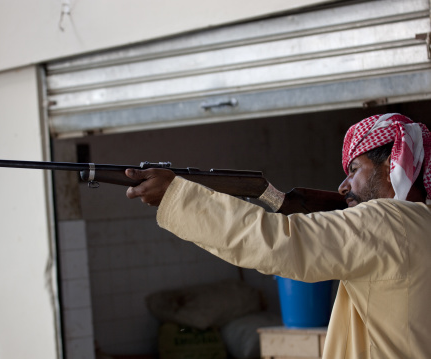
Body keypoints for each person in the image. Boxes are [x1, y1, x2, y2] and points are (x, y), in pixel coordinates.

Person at [125, 113, 431, 358]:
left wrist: (177, 196)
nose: (344, 185)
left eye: (354, 169)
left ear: (394, 163)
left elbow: (278, 241)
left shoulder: (389, 222)